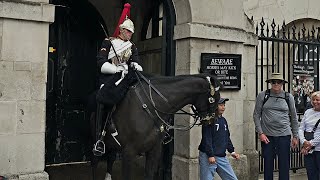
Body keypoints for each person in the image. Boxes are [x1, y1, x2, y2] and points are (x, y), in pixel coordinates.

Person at [93, 3, 143, 156]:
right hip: (109, 77)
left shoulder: (132, 46)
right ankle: (99, 137)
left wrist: (135, 65)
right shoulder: (108, 42)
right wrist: (115, 69)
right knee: (104, 100)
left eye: (132, 32)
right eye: (128, 31)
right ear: (121, 30)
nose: (130, 34)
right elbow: (100, 61)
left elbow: (135, 60)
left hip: (125, 77)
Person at [253, 72, 299, 180]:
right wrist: (261, 133)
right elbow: (256, 115)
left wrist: (295, 136)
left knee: (284, 165)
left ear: (282, 83)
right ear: (270, 83)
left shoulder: (288, 97)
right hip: (267, 136)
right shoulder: (263, 95)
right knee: (268, 164)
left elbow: (294, 117)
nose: (276, 84)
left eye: (279, 82)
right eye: (274, 82)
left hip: (284, 135)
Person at [198, 98, 240, 180]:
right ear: (215, 106)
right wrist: (210, 155)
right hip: (208, 156)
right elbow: (207, 138)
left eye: (224, 105)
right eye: (220, 105)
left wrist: (232, 151)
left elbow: (226, 137)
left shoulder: (223, 121)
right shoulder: (209, 120)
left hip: (221, 157)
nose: (223, 107)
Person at [298, 91, 320, 180]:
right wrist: (303, 141)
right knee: (310, 172)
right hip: (308, 148)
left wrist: (310, 144)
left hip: (318, 148)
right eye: (313, 100)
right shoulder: (308, 112)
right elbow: (301, 128)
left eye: (318, 100)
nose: (315, 102)